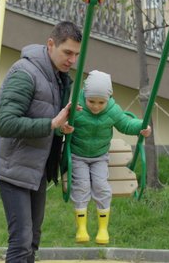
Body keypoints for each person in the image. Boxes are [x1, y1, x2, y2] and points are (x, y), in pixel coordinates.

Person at [0, 21, 82, 263]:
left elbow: (48, 119)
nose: (72, 60)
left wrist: (62, 126)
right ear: (51, 44)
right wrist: (51, 123)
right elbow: (6, 123)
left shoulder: (56, 77)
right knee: (21, 241)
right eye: (67, 53)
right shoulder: (25, 73)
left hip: (36, 168)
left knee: (32, 240)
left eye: (76, 54)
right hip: (13, 167)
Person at [62, 70, 152, 245]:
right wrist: (64, 128)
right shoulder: (76, 108)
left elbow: (126, 124)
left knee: (102, 187)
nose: (96, 106)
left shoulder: (112, 110)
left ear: (109, 99)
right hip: (78, 155)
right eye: (92, 101)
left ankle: (103, 229)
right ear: (85, 97)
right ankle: (82, 228)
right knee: (81, 186)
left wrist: (141, 126)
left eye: (101, 102)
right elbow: (61, 125)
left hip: (99, 157)